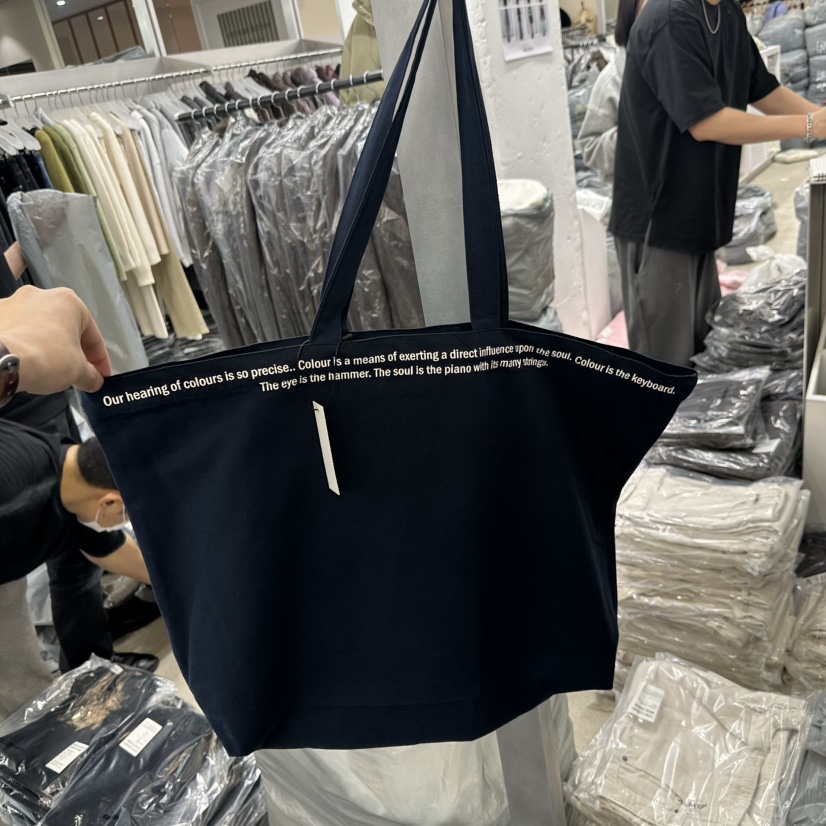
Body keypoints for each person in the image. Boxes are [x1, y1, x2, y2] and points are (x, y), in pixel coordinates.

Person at [610, 0, 826, 367]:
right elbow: (706, 122)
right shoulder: (669, 19)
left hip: (700, 215)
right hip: (659, 222)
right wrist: (809, 126)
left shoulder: (727, 14)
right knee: (665, 369)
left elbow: (764, 91)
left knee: (703, 352)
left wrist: (820, 118)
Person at [577, 0, 647, 184]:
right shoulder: (612, 81)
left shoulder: (673, 69)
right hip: (632, 190)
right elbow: (590, 148)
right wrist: (632, 133)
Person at [340, 0, 386, 105]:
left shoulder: (358, 20)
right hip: (399, 106)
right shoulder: (405, 15)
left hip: (361, 108)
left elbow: (344, 82)